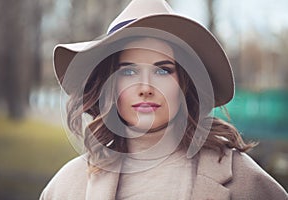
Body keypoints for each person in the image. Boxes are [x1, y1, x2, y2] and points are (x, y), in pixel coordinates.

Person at [40, 0, 288, 199]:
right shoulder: (65, 188)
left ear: (184, 83)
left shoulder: (245, 183)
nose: (145, 88)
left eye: (162, 70)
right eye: (128, 71)